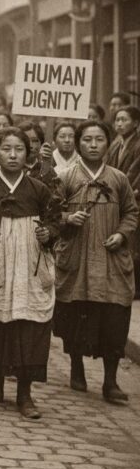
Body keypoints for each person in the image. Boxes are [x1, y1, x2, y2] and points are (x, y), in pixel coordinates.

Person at [0, 127, 61, 420]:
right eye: (6, 149)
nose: (13, 155)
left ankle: (25, 392)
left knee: (30, 325)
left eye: (19, 149)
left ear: (27, 153)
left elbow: (56, 221)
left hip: (30, 263)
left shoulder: (39, 189)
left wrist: (48, 233)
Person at [54, 121, 138, 403]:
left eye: (99, 139)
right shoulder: (65, 177)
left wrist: (122, 234)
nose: (93, 145)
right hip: (77, 258)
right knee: (76, 313)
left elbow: (131, 213)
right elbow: (50, 215)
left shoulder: (118, 179)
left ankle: (110, 381)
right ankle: (76, 366)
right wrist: (67, 219)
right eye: (87, 140)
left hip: (110, 259)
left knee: (114, 317)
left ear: (107, 143)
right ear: (78, 144)